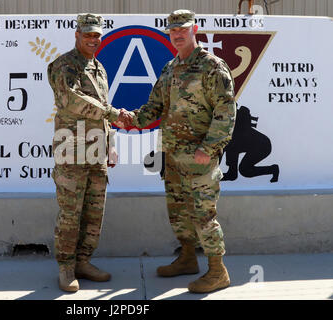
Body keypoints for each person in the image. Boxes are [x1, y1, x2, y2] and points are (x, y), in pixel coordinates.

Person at [119, 9, 236, 293]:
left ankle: (218, 271)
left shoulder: (212, 67)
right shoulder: (170, 68)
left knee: (203, 215)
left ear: (194, 29)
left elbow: (226, 112)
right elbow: (155, 107)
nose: (177, 34)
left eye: (182, 29)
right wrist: (131, 119)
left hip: (199, 159)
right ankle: (186, 259)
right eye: (173, 31)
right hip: (172, 156)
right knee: (179, 212)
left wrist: (208, 148)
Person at [47, 13, 130, 292]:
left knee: (94, 212)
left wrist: (112, 145)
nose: (93, 39)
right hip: (71, 150)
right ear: (77, 34)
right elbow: (71, 100)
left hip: (97, 148)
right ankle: (66, 267)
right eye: (88, 34)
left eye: (96, 35)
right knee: (71, 212)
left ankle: (83, 262)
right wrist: (112, 113)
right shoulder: (63, 66)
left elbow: (104, 109)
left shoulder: (99, 68)